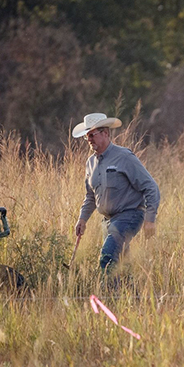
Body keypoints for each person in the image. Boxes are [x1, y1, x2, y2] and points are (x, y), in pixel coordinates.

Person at [72, 113, 160, 270]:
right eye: (87, 137)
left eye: (92, 135)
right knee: (122, 267)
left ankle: (109, 294)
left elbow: (150, 187)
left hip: (129, 216)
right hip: (108, 221)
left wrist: (150, 219)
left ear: (105, 133)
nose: (89, 140)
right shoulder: (90, 163)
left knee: (107, 258)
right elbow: (90, 196)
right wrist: (82, 219)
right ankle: (129, 293)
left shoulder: (124, 156)